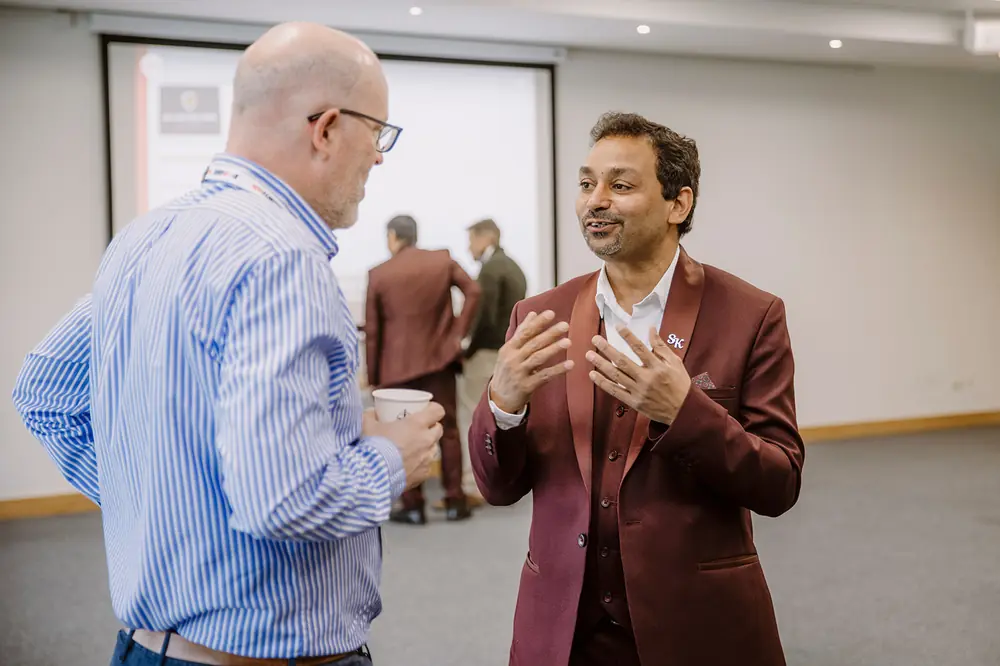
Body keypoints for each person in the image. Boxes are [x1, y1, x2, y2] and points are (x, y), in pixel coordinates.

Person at [11, 22, 445, 666]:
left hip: (145, 650)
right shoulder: (283, 260)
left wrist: (169, 511)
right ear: (326, 129)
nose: (379, 157)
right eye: (377, 132)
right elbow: (284, 498)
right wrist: (391, 457)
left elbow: (44, 394)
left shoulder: (144, 237)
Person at [468, 112, 805, 666]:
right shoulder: (539, 316)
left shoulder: (751, 315)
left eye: (620, 186)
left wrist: (685, 413)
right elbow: (497, 488)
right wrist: (502, 406)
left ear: (678, 204)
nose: (595, 201)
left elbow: (780, 483)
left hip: (695, 626)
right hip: (564, 630)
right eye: (586, 184)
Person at [364, 215, 481, 524]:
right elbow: (474, 291)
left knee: (399, 435)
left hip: (396, 370)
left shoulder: (379, 274)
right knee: (449, 430)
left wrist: (373, 375)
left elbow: (373, 332)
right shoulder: (442, 261)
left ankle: (413, 506)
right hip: (439, 362)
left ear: (392, 236)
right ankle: (455, 500)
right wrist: (455, 336)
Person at [449, 218, 526, 510]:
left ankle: (473, 486)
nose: (469, 247)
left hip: (485, 356)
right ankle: (500, 480)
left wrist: (467, 351)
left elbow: (484, 318)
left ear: (487, 238)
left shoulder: (491, 269)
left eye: (471, 240)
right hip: (506, 355)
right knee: (502, 421)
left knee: (472, 418)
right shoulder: (514, 266)